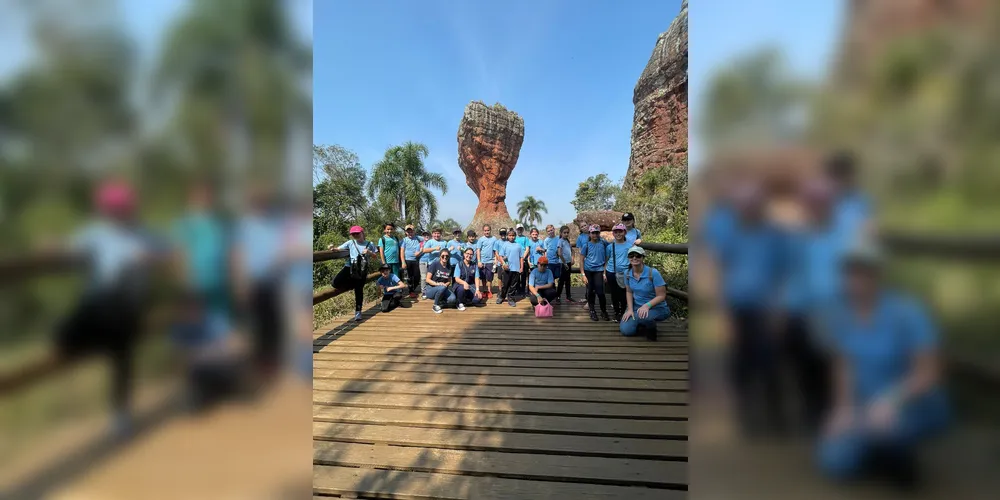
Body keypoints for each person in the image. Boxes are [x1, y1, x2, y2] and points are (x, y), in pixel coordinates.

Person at [817, 242, 949, 491]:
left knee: (890, 430)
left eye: (863, 271)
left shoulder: (908, 312)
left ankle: (899, 456)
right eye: (849, 271)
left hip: (912, 400)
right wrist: (842, 408)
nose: (855, 278)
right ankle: (876, 451)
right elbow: (843, 365)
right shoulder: (839, 314)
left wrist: (892, 399)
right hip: (866, 404)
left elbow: (930, 372)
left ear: (878, 274)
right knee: (834, 462)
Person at [56, 179, 168, 438]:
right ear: (104, 209)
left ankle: (121, 414)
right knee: (64, 337)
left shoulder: (145, 233)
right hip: (100, 302)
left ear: (130, 208)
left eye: (122, 208)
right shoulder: (94, 233)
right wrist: (55, 247)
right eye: (112, 208)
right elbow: (69, 249)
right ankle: (103, 348)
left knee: (122, 353)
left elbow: (170, 252)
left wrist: (151, 258)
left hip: (128, 306)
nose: (117, 213)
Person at [712, 182, 788, 436]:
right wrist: (723, 316)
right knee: (741, 365)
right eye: (744, 205)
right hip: (738, 308)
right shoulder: (732, 235)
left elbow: (782, 274)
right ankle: (747, 418)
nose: (748, 209)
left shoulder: (774, 235)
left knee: (771, 362)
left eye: (752, 204)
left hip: (767, 308)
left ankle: (776, 417)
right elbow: (722, 272)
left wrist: (779, 311)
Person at [620, 246, 670, 341]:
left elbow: (661, 295)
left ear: (643, 257)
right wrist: (630, 309)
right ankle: (642, 324)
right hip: (636, 307)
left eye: (638, 255)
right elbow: (629, 291)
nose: (634, 258)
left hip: (656, 307)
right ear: (628, 258)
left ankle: (650, 327)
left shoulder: (653, 273)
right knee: (626, 331)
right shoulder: (627, 273)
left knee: (643, 317)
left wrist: (647, 305)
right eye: (631, 255)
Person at [332, 226, 379, 322]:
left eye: (357, 233)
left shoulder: (369, 244)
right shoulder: (350, 242)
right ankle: (352, 284)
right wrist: (333, 249)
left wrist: (369, 252)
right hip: (349, 266)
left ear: (362, 233)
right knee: (335, 283)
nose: (355, 235)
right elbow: (339, 249)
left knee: (358, 290)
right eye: (353, 234)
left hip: (361, 269)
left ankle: (358, 312)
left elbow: (375, 256)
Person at [580, 225, 611, 321]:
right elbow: (581, 260)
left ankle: (603, 311)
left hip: (599, 270)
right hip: (588, 270)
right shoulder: (587, 245)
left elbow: (608, 254)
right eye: (593, 233)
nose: (595, 235)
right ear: (590, 234)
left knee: (601, 292)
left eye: (597, 232)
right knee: (590, 291)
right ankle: (592, 310)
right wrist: (583, 274)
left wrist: (605, 272)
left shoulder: (603, 243)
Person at [605, 223, 632, 322]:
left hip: (625, 273)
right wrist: (605, 273)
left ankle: (623, 310)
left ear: (624, 232)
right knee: (614, 293)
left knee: (624, 293)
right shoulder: (610, 246)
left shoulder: (629, 246)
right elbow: (606, 260)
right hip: (611, 272)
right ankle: (617, 312)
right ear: (613, 234)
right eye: (616, 232)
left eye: (620, 231)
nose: (618, 234)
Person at [496, 228, 523, 307]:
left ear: (515, 236)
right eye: (510, 235)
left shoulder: (518, 245)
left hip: (516, 269)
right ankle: (502, 297)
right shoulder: (505, 245)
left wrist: (521, 267)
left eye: (513, 235)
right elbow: (500, 256)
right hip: (507, 268)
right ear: (507, 236)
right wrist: (503, 264)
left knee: (513, 285)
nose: (512, 237)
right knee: (505, 284)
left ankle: (511, 298)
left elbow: (521, 257)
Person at [418, 228, 448, 299]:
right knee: (428, 279)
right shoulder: (430, 242)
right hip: (432, 263)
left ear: (440, 234)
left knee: (440, 278)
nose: (436, 235)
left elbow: (446, 251)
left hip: (442, 264)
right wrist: (434, 248)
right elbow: (424, 250)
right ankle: (425, 292)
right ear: (432, 234)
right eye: (435, 233)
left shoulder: (444, 242)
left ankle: (439, 291)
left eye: (438, 233)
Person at [425, 249, 454, 314]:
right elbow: (427, 279)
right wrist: (438, 284)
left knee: (453, 299)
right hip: (430, 288)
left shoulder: (450, 267)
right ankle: (435, 305)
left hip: (443, 287)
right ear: (440, 256)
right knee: (441, 287)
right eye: (443, 256)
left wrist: (445, 284)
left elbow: (449, 281)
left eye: (447, 256)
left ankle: (440, 300)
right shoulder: (434, 264)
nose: (445, 257)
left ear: (449, 257)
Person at [400, 224, 423, 298]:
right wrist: (403, 262)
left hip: (416, 260)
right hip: (408, 260)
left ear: (414, 231)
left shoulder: (418, 238)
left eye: (411, 231)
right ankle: (411, 291)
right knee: (409, 276)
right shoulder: (404, 240)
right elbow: (402, 251)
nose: (410, 233)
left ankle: (414, 288)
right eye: (408, 232)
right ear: (406, 232)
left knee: (417, 276)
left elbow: (427, 239)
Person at [476, 224, 500, 299]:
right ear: (483, 231)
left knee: (489, 277)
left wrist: (496, 259)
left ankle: (489, 291)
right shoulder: (481, 239)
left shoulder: (494, 239)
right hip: (482, 261)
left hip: (490, 261)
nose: (487, 232)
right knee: (483, 277)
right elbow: (478, 250)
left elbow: (496, 250)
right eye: (485, 230)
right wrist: (479, 261)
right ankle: (484, 290)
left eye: (488, 230)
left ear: (490, 230)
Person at [554, 225, 576, 303]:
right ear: (561, 233)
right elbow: (559, 253)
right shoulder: (560, 241)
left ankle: (568, 296)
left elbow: (572, 250)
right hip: (563, 264)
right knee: (561, 280)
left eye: (567, 232)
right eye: (564, 233)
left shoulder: (567, 241)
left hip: (568, 263)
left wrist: (572, 259)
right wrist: (565, 263)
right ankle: (558, 296)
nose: (566, 234)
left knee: (568, 280)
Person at [515, 224, 531, 294]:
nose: (520, 230)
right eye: (518, 229)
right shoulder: (514, 238)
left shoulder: (525, 238)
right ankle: (518, 289)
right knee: (516, 276)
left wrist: (523, 257)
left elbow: (527, 249)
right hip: (515, 259)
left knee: (524, 275)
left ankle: (523, 290)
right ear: (516, 230)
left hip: (523, 258)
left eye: (521, 229)